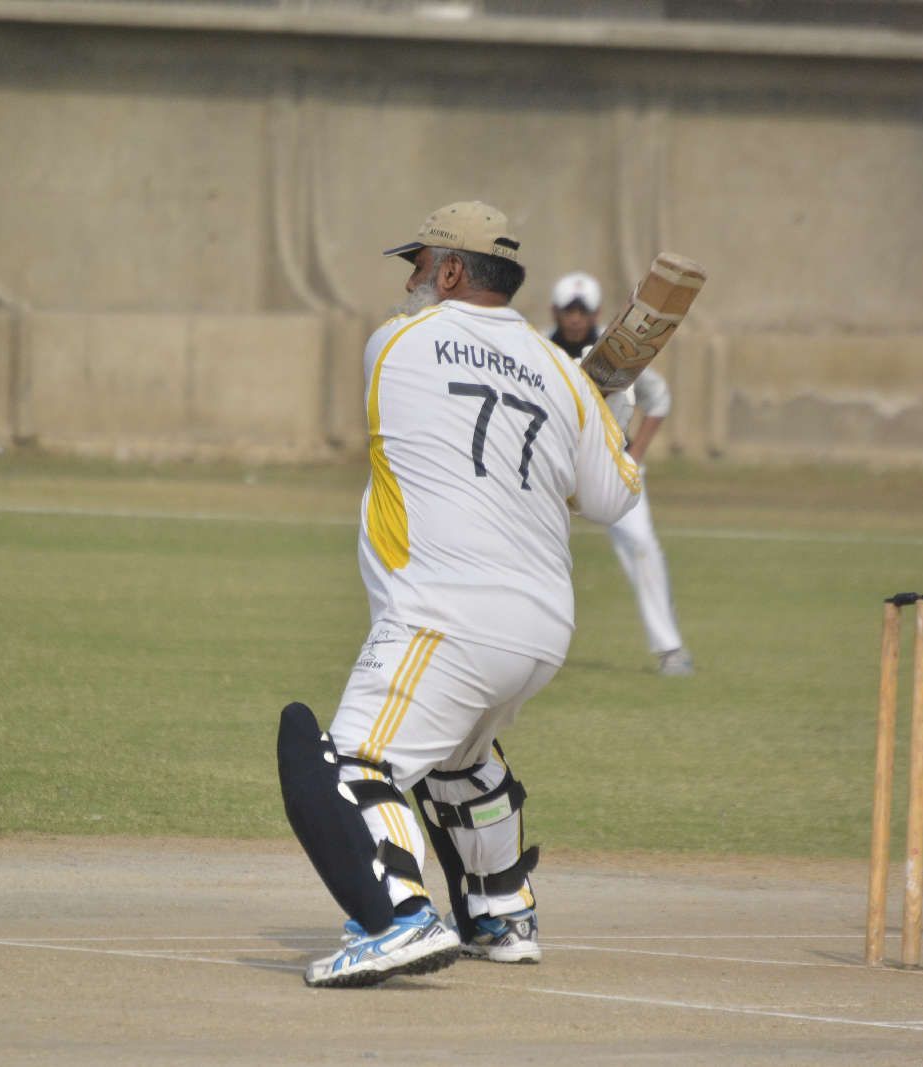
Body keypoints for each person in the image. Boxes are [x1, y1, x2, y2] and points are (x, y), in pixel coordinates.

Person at [276, 201, 642, 987]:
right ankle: (501, 911)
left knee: (347, 764)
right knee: (460, 759)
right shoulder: (563, 376)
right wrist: (610, 409)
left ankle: (398, 918)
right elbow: (611, 497)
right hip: (543, 627)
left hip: (444, 616)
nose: (407, 282)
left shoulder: (395, 342)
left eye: (417, 266)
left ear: (448, 271)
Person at [548, 271, 694, 676]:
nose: (575, 318)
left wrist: (636, 456)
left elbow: (658, 399)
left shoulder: (618, 351)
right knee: (528, 548)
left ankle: (670, 649)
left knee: (642, 544)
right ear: (555, 311)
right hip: (552, 467)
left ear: (596, 313)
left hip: (609, 465)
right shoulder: (541, 349)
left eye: (583, 311)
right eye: (568, 310)